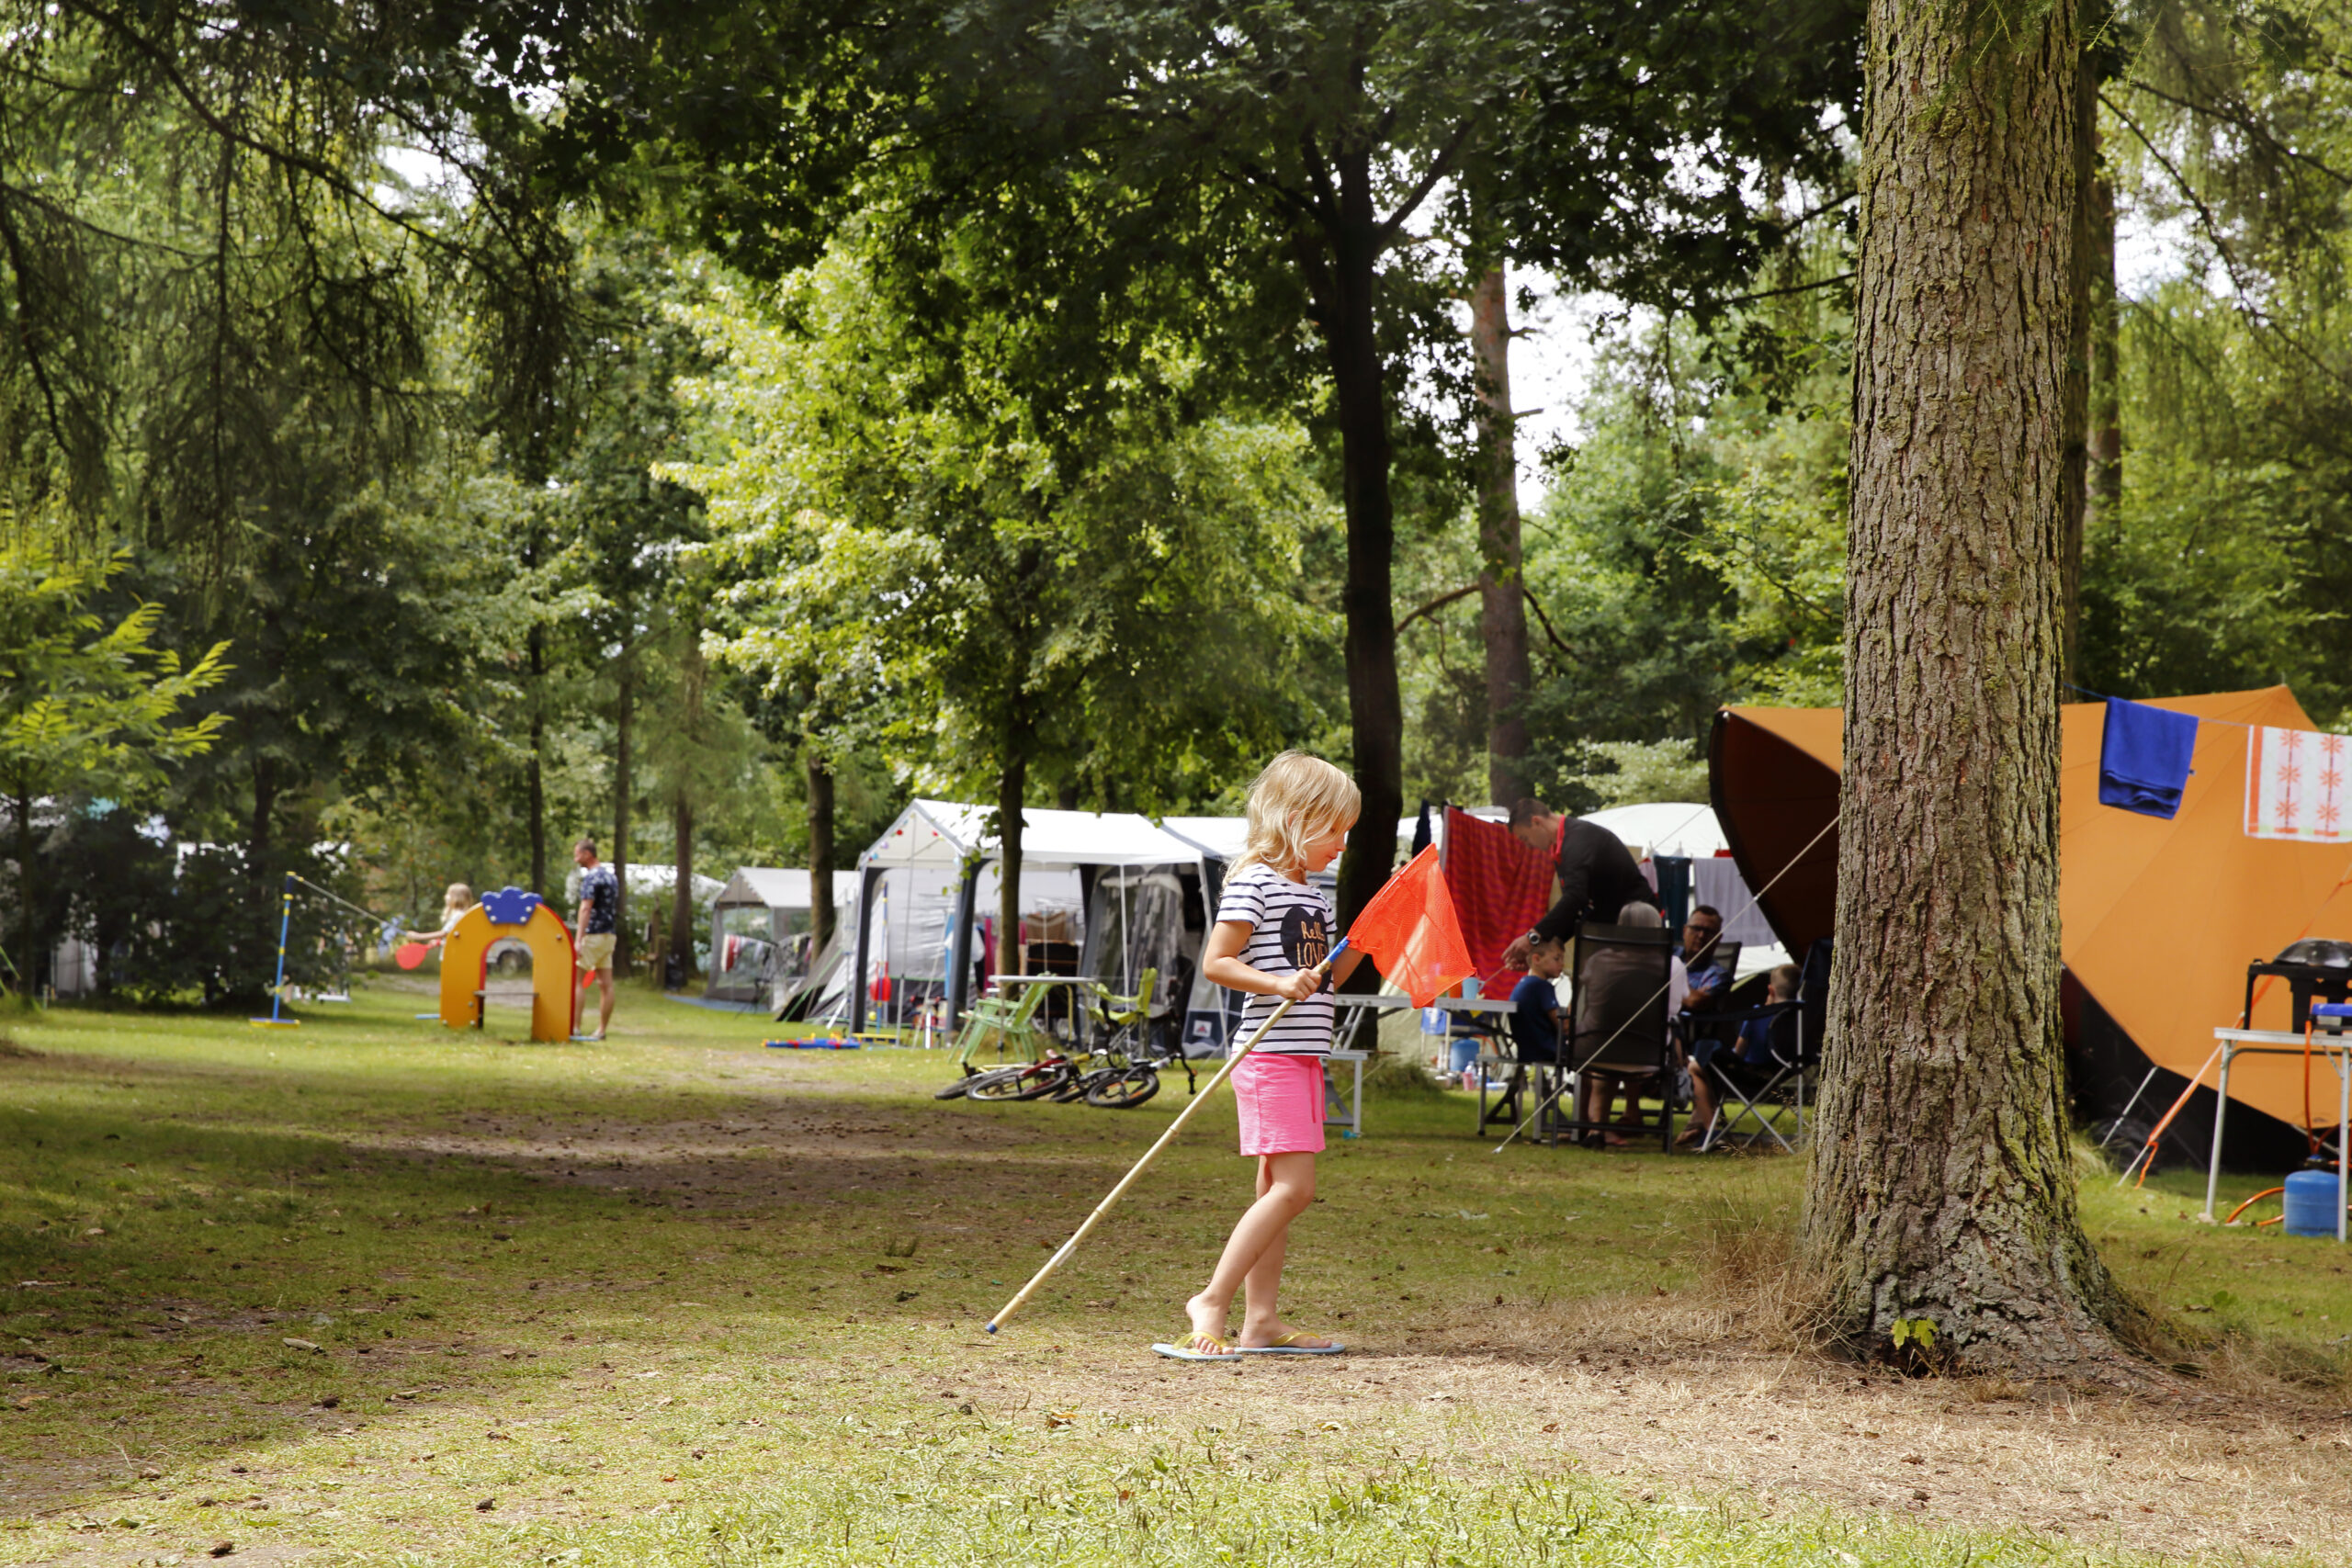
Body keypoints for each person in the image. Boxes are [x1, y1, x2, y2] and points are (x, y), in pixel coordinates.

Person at [1161, 751, 1366, 1361]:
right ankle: (1213, 1299)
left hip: (1305, 1054)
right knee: (1296, 1189)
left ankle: (1261, 1322)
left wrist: (1371, 934)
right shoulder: (1255, 880)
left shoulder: (1315, 894)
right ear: (1297, 818)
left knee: (1274, 1190)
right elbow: (1218, 962)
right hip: (1269, 1053)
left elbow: (1326, 976)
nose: (1343, 844)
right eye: (1335, 830)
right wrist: (1279, 984)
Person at [1572, 901, 1686, 1145]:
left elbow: (1587, 1002)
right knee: (1622, 1047)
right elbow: (1675, 1010)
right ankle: (1601, 1127)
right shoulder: (1672, 965)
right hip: (1647, 1055)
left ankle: (1594, 1129)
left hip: (1594, 1050)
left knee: (1608, 1053)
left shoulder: (1599, 960)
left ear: (1620, 928)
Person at [1499, 798, 1657, 973]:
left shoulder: (1578, 839)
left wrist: (1533, 936)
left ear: (1536, 822)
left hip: (1638, 927)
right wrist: (1541, 950)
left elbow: (1575, 897)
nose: (1528, 846)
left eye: (1525, 838)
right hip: (1612, 929)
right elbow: (1576, 908)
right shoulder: (1562, 847)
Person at [1681, 964, 1801, 1146]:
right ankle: (1703, 1126)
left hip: (1747, 1076)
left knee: (1698, 1065)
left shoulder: (1757, 1014)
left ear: (1770, 989)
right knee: (1711, 1065)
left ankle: (1710, 1131)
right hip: (1781, 1075)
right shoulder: (1801, 1019)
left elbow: (1739, 1051)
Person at [571, 838, 618, 1041]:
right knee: (605, 984)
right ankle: (601, 1030)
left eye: (578, 854)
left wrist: (579, 938)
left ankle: (575, 1027)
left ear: (587, 854)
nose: (576, 858)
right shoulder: (611, 877)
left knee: (576, 980)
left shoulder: (591, 878)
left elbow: (586, 907)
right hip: (609, 936)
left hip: (593, 934)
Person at [1679, 905, 1733, 1013]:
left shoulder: (1719, 975)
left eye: (1708, 932)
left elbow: (1694, 1001)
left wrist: (1664, 982)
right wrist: (1686, 992)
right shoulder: (1668, 953)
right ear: (1685, 931)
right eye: (1696, 929)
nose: (1701, 935)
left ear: (1718, 939)